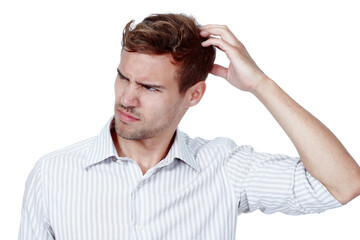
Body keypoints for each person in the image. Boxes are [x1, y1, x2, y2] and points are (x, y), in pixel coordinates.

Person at [18, 13, 360, 240]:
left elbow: (342, 185)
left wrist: (260, 84)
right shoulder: (52, 174)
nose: (127, 98)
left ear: (194, 95)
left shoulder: (225, 167)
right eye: (123, 78)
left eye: (150, 88)